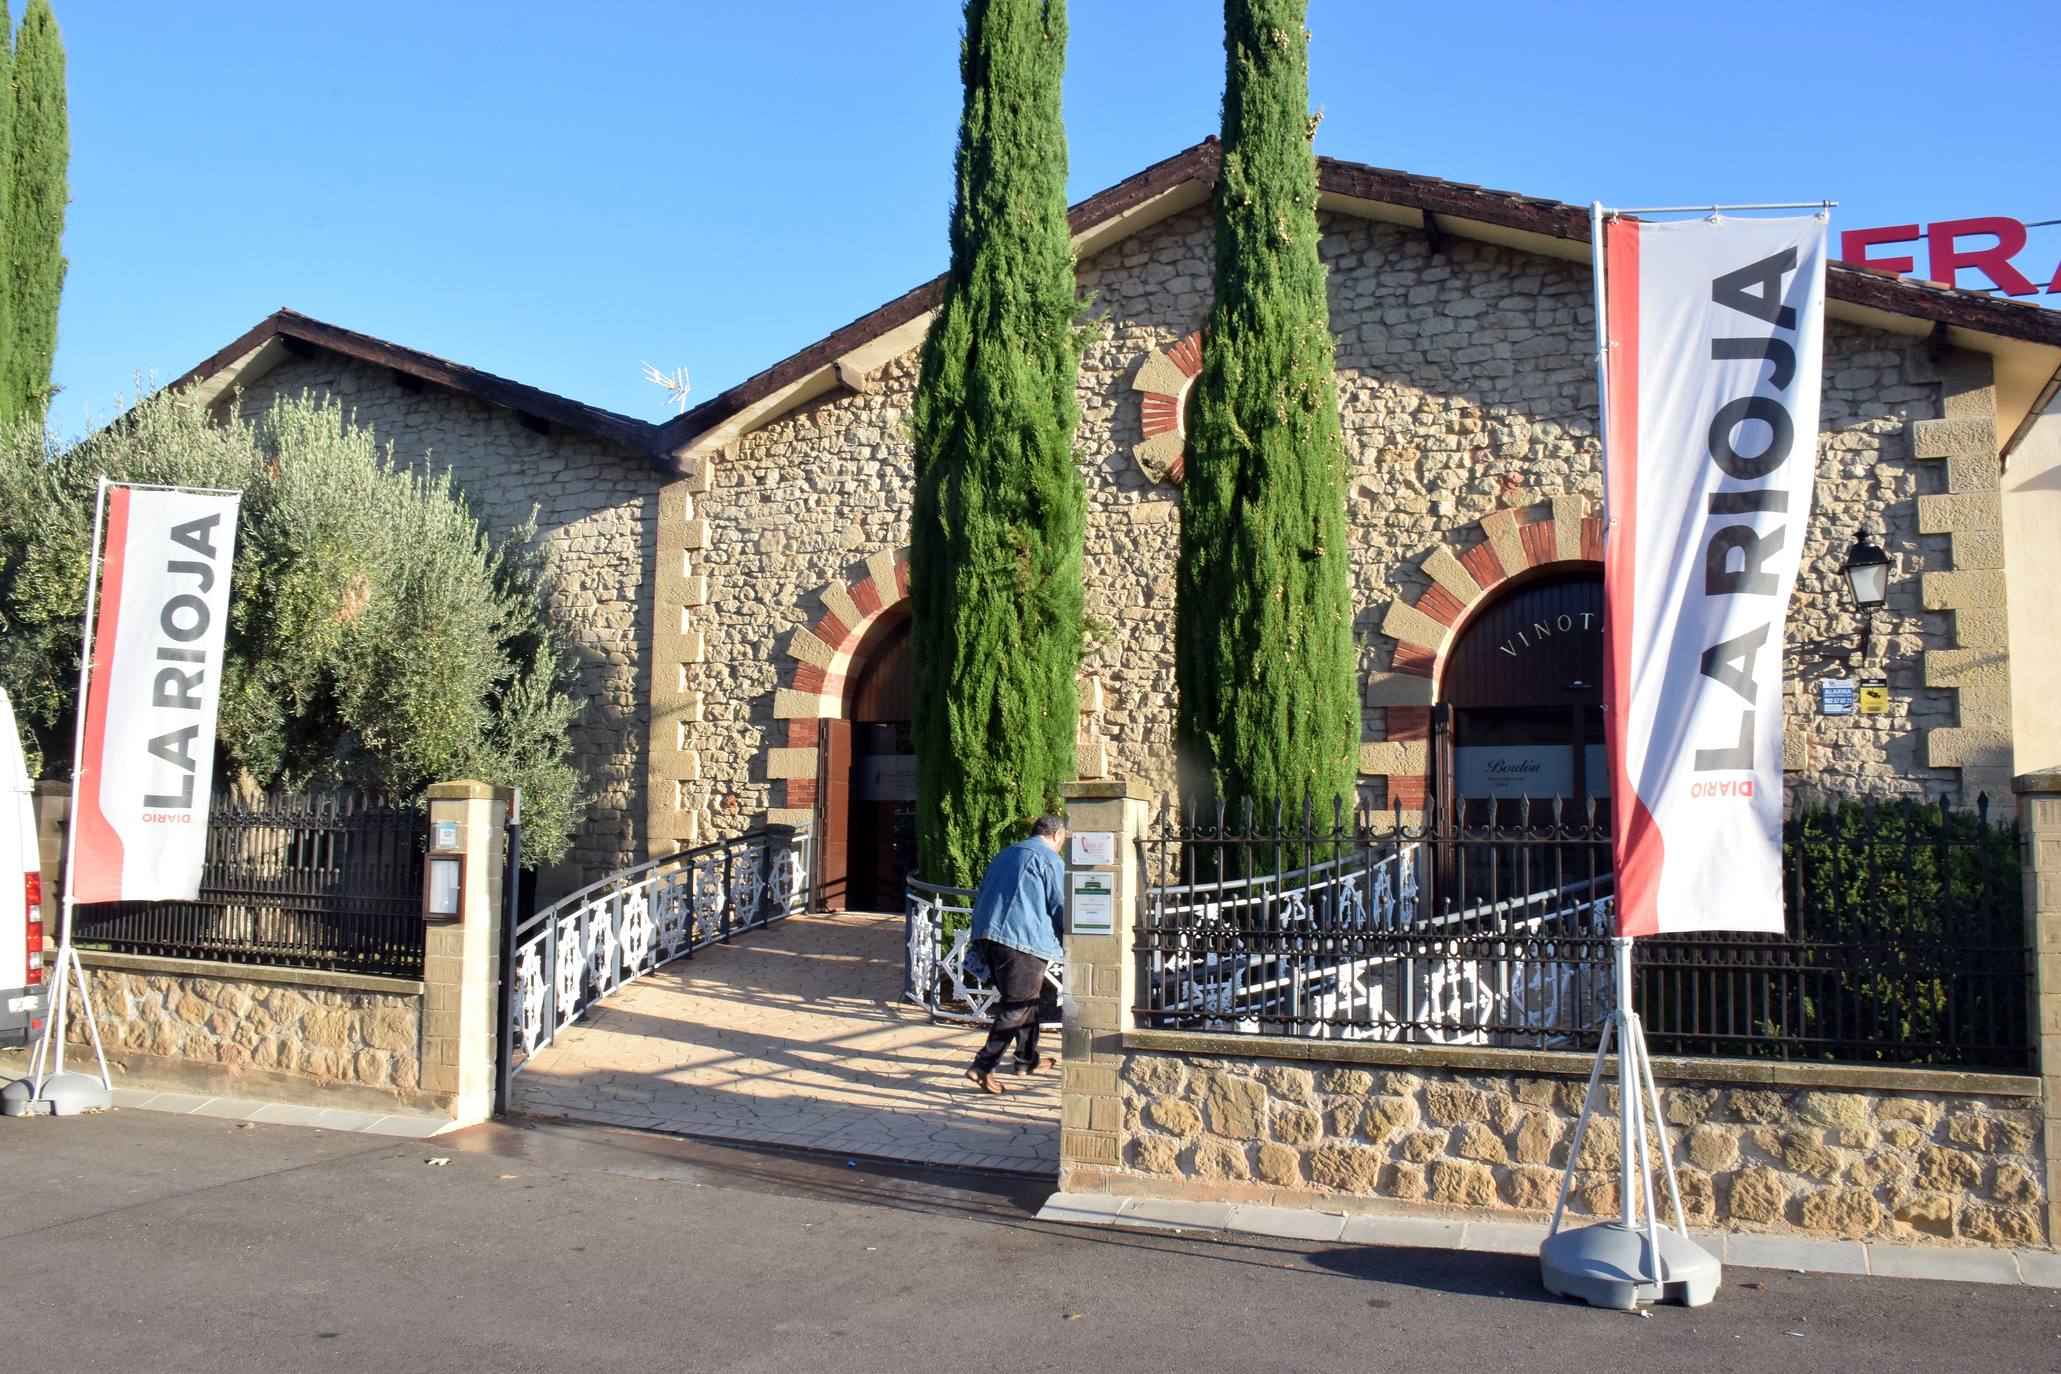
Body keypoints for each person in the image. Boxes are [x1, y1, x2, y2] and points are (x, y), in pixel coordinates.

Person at [963, 814, 1067, 1094]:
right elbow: (1060, 904)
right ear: (1057, 835)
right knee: (1018, 1006)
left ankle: (1026, 1060)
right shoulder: (1049, 859)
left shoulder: (1006, 853)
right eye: (1063, 840)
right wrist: (1072, 935)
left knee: (1025, 1001)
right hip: (1022, 940)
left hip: (988, 935)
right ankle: (983, 1066)